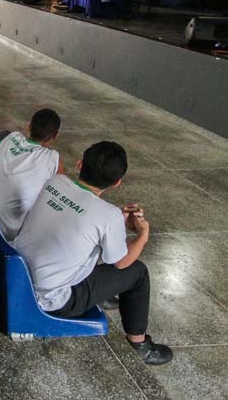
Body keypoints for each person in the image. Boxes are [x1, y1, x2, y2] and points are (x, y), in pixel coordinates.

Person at [13, 141, 172, 365]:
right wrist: (143, 235)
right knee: (138, 272)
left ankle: (103, 296)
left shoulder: (56, 181)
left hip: (19, 273)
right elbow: (121, 263)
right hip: (51, 298)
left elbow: (75, 215)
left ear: (79, 164)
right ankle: (140, 343)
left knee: (91, 250)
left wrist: (116, 218)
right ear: (117, 182)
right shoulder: (107, 216)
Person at [0, 109, 63, 240]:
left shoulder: (12, 136)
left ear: (29, 125)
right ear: (56, 135)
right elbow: (60, 189)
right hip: (7, 230)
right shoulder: (52, 159)